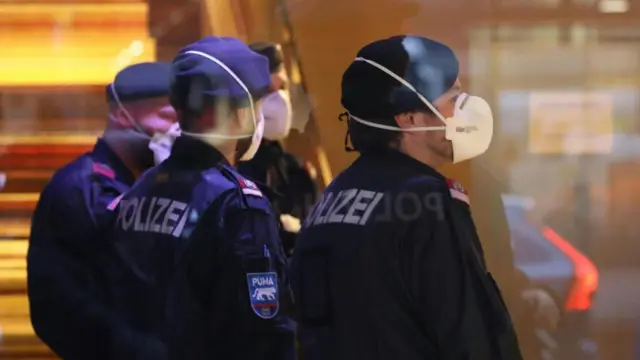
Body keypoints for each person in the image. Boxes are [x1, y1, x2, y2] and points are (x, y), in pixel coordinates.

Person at [291, 35, 523, 360]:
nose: (465, 108)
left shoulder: (333, 198)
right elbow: (467, 330)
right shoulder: (427, 200)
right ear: (409, 118)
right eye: (454, 97)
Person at [106, 36, 296, 360]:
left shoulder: (139, 191)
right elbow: (261, 333)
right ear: (238, 114)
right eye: (258, 105)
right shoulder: (238, 205)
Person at [27, 62, 177, 360]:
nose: (178, 132)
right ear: (123, 115)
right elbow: (60, 304)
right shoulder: (78, 190)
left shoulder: (164, 183)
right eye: (167, 117)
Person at [237, 42, 318, 256]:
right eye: (268, 92)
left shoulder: (295, 171)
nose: (280, 102)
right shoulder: (232, 174)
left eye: (282, 89)